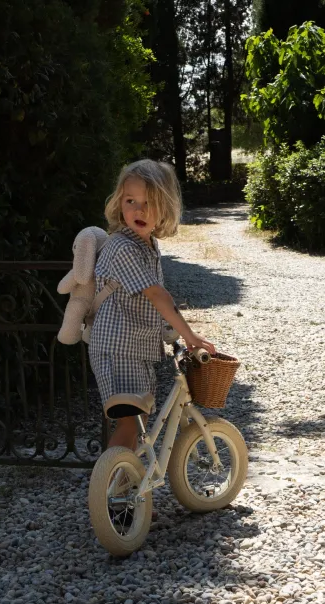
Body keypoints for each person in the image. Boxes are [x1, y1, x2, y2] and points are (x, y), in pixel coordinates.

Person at [89, 159, 216, 451]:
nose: (139, 210)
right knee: (130, 420)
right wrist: (189, 334)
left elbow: (144, 301)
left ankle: (123, 472)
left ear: (165, 207)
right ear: (119, 203)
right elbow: (157, 295)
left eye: (149, 203)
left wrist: (167, 329)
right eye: (130, 201)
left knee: (138, 419)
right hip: (117, 347)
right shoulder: (122, 246)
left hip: (136, 346)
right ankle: (111, 477)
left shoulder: (147, 245)